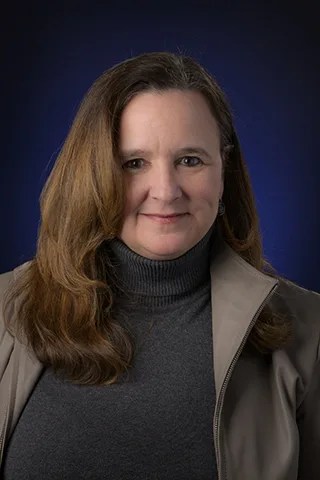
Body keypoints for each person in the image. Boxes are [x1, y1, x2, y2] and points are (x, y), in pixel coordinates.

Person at [0, 51, 319, 480]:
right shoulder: (3, 312)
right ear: (93, 175)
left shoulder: (310, 333)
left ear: (225, 169)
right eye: (134, 163)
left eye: (190, 160)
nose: (166, 191)